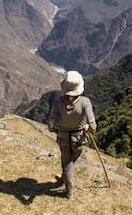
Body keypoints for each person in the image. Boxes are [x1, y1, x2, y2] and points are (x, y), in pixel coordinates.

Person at [48, 70, 96, 199]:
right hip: (79, 139)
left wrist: (58, 130)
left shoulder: (58, 102)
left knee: (67, 162)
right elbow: (93, 127)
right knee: (70, 161)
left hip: (63, 138)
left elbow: (51, 126)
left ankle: (67, 187)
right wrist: (86, 127)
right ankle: (66, 185)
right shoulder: (85, 102)